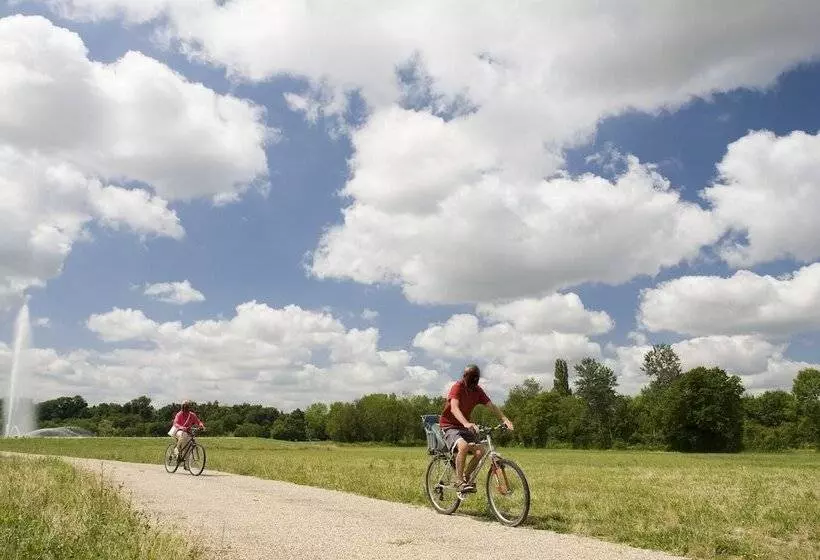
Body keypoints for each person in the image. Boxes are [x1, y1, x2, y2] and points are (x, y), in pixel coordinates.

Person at [439, 364, 513, 492]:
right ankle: (459, 481)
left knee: (480, 451)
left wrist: (504, 419)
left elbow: (492, 406)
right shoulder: (457, 387)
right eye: (471, 379)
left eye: (475, 380)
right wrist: (466, 423)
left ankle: (466, 477)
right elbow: (454, 408)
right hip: (450, 426)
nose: (473, 383)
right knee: (463, 446)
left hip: (464, 426)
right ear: (464, 377)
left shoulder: (477, 390)